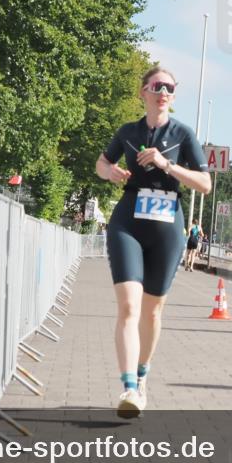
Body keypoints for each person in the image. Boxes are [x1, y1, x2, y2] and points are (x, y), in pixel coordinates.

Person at [96, 66, 211, 418]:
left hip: (166, 224)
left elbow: (205, 185)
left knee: (152, 310)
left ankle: (142, 374)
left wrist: (166, 165)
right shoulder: (128, 131)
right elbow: (101, 163)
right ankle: (129, 387)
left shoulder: (183, 134)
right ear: (143, 91)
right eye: (158, 86)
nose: (164, 93)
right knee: (129, 307)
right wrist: (110, 172)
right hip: (129, 220)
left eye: (170, 88)